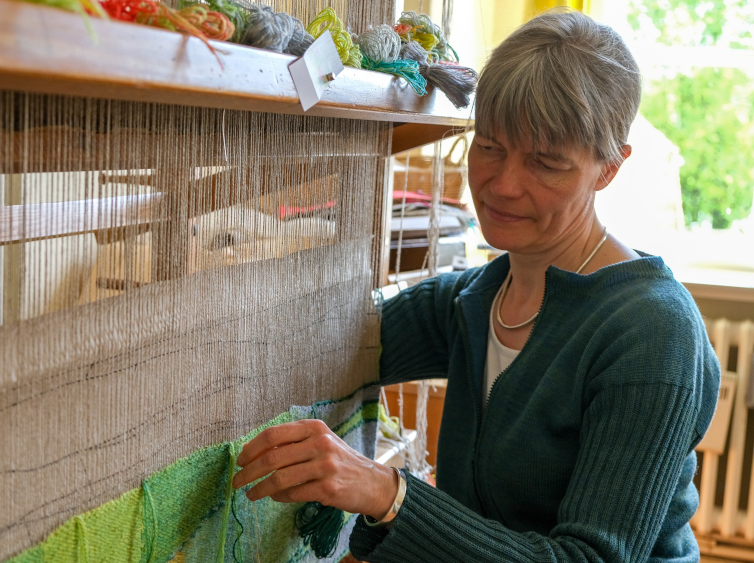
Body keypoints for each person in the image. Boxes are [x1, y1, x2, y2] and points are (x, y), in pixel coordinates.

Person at [231, 9, 720, 562]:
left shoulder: (653, 334)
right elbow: (329, 338)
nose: (502, 185)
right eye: (489, 147)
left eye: (545, 163)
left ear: (609, 168)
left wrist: (388, 495)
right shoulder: (479, 298)